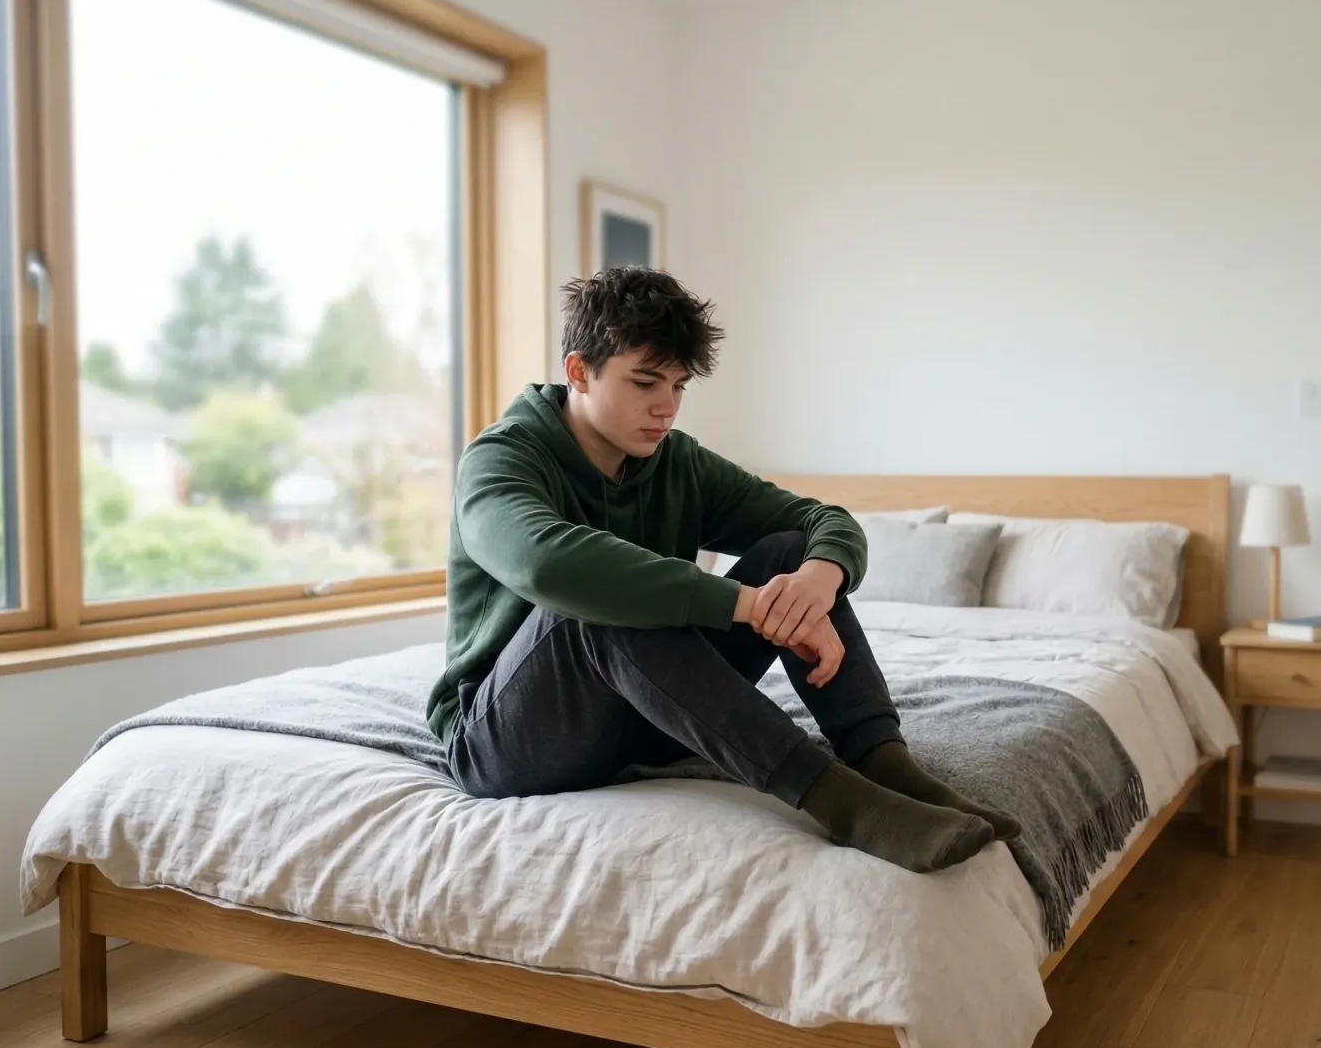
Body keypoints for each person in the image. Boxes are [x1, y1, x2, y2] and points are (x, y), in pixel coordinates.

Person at [426, 266, 1018, 873]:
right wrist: (748, 605)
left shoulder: (672, 461)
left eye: (679, 387)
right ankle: (845, 803)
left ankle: (888, 767)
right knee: (592, 609)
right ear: (579, 371)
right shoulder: (501, 459)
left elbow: (824, 520)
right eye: (645, 382)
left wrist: (820, 575)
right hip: (504, 740)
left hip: (643, 722)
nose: (666, 409)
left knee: (791, 550)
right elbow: (546, 562)